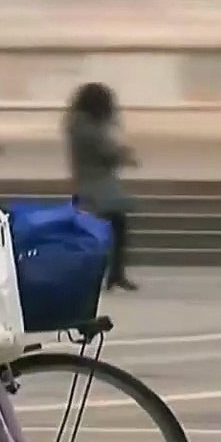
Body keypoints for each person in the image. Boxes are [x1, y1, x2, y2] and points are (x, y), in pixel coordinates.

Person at [64, 82, 138, 291]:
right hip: (98, 189)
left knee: (111, 230)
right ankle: (112, 274)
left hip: (92, 186)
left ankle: (114, 274)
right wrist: (124, 155)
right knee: (112, 230)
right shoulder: (88, 128)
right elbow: (106, 152)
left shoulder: (78, 124)